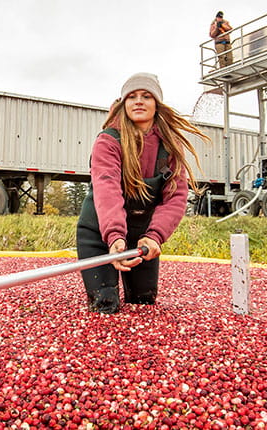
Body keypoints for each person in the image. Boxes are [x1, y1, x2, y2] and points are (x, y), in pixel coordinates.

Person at [76, 73, 210, 314]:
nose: (138, 101)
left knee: (143, 303)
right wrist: (115, 236)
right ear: (124, 103)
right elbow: (107, 189)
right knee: (105, 306)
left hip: (142, 236)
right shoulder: (108, 141)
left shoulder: (168, 147)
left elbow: (175, 197)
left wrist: (155, 236)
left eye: (146, 96)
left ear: (156, 104)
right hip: (100, 231)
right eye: (132, 96)